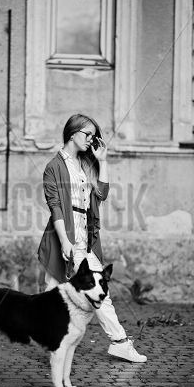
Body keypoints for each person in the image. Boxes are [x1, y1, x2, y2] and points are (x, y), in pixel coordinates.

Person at [38, 113, 147, 363]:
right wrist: (65, 241)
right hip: (64, 236)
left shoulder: (86, 164)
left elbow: (102, 194)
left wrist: (103, 161)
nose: (91, 140)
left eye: (93, 136)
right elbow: (55, 205)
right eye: (87, 134)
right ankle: (54, 341)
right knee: (52, 294)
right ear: (72, 133)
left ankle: (118, 342)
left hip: (87, 239)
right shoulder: (54, 166)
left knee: (92, 291)